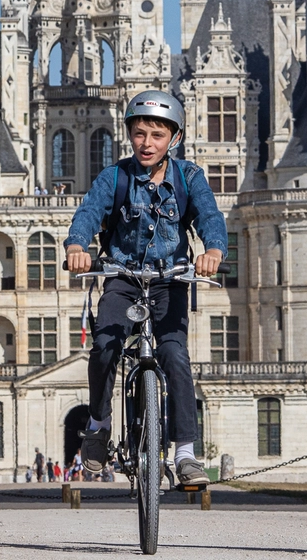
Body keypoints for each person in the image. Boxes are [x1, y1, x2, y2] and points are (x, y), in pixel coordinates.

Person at [65, 90, 227, 489]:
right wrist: (76, 244)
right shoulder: (115, 177)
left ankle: (185, 453)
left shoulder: (189, 178)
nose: (147, 143)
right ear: (129, 135)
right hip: (122, 278)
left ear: (174, 138)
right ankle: (100, 423)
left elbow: (209, 214)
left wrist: (214, 249)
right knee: (105, 346)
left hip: (170, 279)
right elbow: (89, 212)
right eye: (139, 134)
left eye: (156, 135)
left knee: (175, 356)